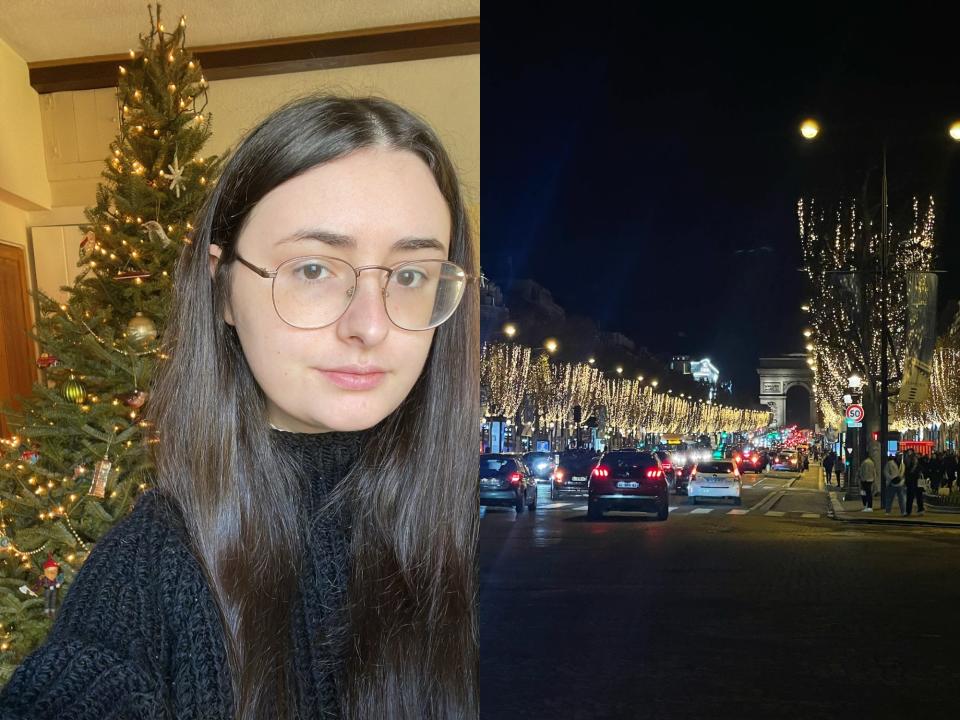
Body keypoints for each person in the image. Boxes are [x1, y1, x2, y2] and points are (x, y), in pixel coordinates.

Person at [0, 96, 479, 719]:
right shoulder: (152, 567)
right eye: (312, 268)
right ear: (222, 284)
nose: (370, 325)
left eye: (410, 275)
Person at [904, 449, 926, 517]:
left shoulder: (915, 463)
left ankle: (915, 510)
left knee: (915, 496)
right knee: (913, 496)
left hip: (915, 481)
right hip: (912, 481)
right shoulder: (908, 462)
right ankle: (911, 510)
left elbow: (921, 470)